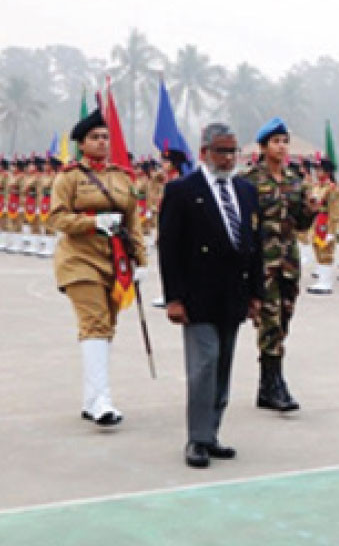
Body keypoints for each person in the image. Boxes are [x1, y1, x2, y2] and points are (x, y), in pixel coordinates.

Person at [158, 123, 264, 468]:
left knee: (222, 367)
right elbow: (169, 249)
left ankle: (212, 433)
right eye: (222, 151)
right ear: (204, 153)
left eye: (233, 151)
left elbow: (254, 246)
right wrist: (173, 298)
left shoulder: (245, 191)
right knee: (204, 364)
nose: (229, 157)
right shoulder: (182, 191)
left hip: (233, 293)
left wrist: (255, 294)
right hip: (197, 295)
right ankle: (197, 439)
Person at [47, 109, 148, 426]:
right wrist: (93, 222)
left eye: (105, 137)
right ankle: (102, 400)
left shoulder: (122, 177)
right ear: (81, 144)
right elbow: (56, 218)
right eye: (95, 137)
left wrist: (141, 262)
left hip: (114, 262)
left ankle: (91, 400)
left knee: (106, 327)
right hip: (80, 260)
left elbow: (134, 223)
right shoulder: (70, 177)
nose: (102, 142)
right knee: (95, 323)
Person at [241, 117, 316, 413]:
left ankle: (266, 385)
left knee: (284, 317)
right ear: (263, 147)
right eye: (276, 142)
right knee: (269, 321)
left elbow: (300, 223)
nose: (282, 147)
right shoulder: (249, 181)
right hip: (262, 260)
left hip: (288, 259)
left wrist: (310, 211)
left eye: (285, 141)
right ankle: (274, 384)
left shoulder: (295, 180)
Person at [306, 158, 339, 295]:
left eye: (320, 170)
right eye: (316, 170)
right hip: (317, 220)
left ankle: (326, 282)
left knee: (326, 253)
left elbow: (335, 211)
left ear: (327, 172)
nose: (317, 173)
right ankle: (321, 280)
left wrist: (332, 231)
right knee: (318, 251)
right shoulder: (316, 187)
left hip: (326, 221)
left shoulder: (332, 188)